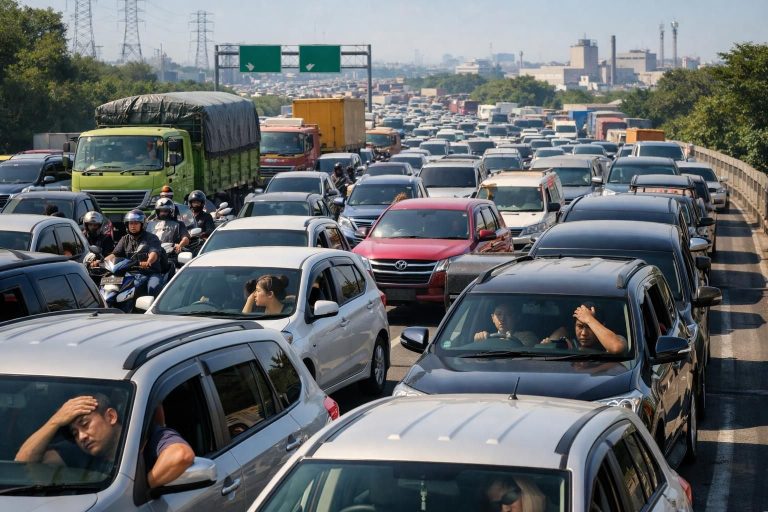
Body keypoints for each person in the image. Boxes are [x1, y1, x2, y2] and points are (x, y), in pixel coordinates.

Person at [14, 393, 194, 489]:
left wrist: (138, 490)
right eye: (74, 433)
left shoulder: (150, 437)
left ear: (111, 416)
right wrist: (55, 421)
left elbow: (181, 455)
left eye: (85, 424)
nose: (81, 437)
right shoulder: (79, 450)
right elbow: (22, 463)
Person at [106, 209, 164, 296]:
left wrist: (148, 262)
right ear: (127, 225)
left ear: (142, 224)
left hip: (150, 273)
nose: (133, 226)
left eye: (136, 223)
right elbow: (114, 254)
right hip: (129, 273)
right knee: (108, 285)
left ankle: (152, 309)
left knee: (153, 288)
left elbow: (154, 253)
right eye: (131, 223)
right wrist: (103, 262)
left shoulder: (152, 238)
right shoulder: (124, 239)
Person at [542, 303, 627, 354]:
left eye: (589, 327)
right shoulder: (568, 344)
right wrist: (548, 345)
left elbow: (616, 347)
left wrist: (589, 319)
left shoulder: (613, 339)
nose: (584, 333)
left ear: (601, 326)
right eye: (580, 326)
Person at [473, 303, 537, 346]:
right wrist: (479, 341)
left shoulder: (527, 336)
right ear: (492, 318)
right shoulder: (486, 337)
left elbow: (525, 355)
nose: (502, 319)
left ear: (517, 318)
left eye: (508, 314)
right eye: (499, 314)